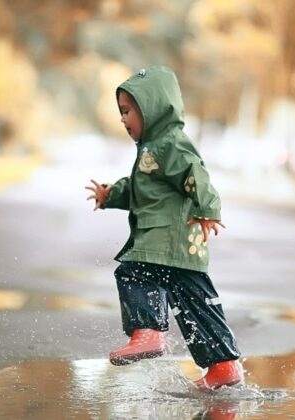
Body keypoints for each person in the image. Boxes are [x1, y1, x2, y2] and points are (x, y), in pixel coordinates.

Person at [85, 65, 242, 390]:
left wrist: (208, 209)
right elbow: (138, 189)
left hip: (164, 241)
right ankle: (223, 367)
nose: (123, 120)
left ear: (152, 109)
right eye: (121, 112)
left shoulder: (169, 144)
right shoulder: (152, 148)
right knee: (196, 304)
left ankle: (148, 332)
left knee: (133, 273)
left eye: (128, 111)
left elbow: (195, 174)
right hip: (181, 249)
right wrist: (110, 194)